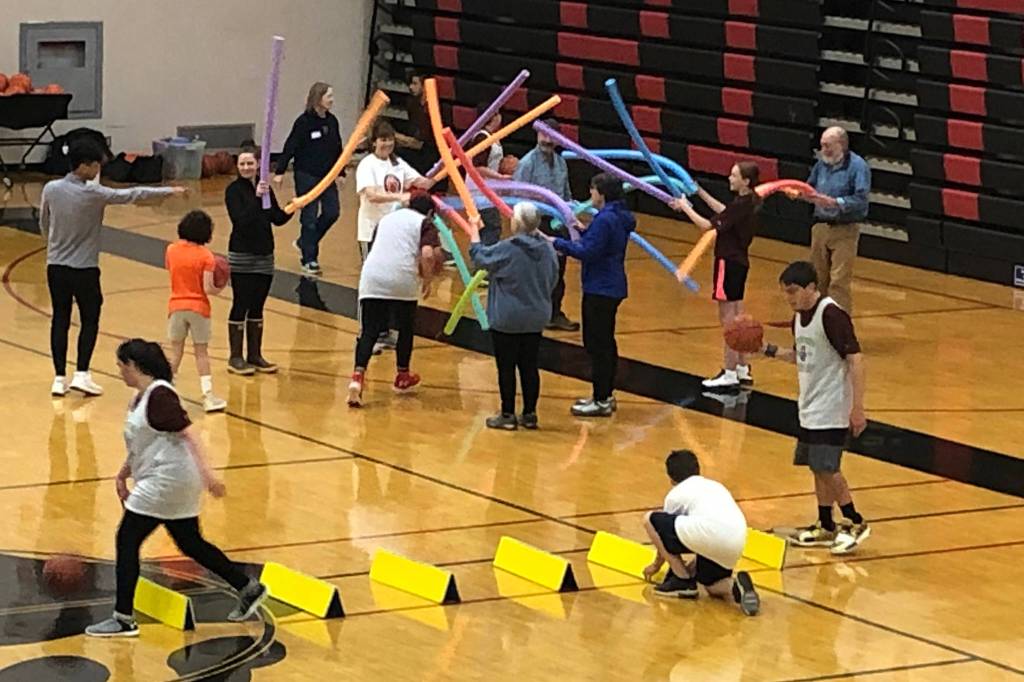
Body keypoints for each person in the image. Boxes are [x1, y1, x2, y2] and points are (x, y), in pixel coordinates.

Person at [85, 339, 267, 637]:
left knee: (127, 539)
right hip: (169, 480)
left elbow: (190, 433)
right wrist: (122, 474)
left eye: (120, 365)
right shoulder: (141, 398)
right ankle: (247, 587)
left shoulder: (159, 396)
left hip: (166, 481)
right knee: (189, 542)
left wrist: (209, 474)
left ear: (133, 366)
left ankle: (123, 618)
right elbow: (144, 444)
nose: (118, 370)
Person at [39, 139, 185, 398]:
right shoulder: (94, 194)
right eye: (95, 164)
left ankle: (58, 377)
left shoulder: (51, 189)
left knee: (60, 318)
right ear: (84, 165)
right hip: (84, 268)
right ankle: (82, 373)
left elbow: (44, 222)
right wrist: (167, 191)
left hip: (56, 266)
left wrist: (53, 247)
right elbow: (131, 194)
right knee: (89, 318)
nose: (98, 169)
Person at [762, 261, 870, 554]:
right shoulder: (799, 318)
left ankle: (855, 521)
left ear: (812, 287)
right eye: (786, 293)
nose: (789, 297)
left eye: (794, 291)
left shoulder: (832, 315)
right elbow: (802, 356)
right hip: (809, 405)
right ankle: (826, 525)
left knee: (827, 467)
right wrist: (764, 349)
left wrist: (857, 407)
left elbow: (856, 360)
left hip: (833, 406)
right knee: (816, 467)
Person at [346, 193, 444, 407]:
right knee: (405, 328)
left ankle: (357, 377)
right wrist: (427, 281)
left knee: (369, 331)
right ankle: (402, 375)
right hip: (402, 279)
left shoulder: (386, 219)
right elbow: (428, 254)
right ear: (429, 212)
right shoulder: (425, 223)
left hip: (373, 277)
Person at [671, 162, 761, 390]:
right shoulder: (748, 201)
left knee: (728, 320)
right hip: (740, 263)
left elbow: (706, 226)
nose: (729, 178)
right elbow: (724, 211)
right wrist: (699, 192)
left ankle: (729, 372)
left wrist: (685, 207)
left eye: (734, 175)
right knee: (738, 315)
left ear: (745, 181)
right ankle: (741, 368)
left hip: (727, 263)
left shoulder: (741, 204)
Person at [469, 202, 559, 430]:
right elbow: (554, 278)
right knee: (530, 366)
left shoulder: (508, 248)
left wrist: (474, 233)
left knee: (506, 366)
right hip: (536, 315)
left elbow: (480, 258)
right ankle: (530, 414)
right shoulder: (548, 249)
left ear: (517, 223)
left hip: (508, 317)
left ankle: (507, 414)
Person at [551, 173, 634, 417]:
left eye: (593, 190)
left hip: (600, 287)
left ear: (602, 193)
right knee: (606, 342)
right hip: (612, 285)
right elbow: (602, 243)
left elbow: (589, 252)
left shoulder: (606, 219)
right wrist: (586, 231)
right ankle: (605, 394)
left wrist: (558, 243)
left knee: (597, 344)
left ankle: (601, 398)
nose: (591, 195)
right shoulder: (618, 216)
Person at [641, 450, 760, 616]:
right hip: (737, 542)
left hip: (711, 537)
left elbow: (662, 534)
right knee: (711, 585)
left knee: (649, 519)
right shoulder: (716, 486)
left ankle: (681, 580)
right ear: (698, 469)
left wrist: (656, 566)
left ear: (671, 478)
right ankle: (736, 588)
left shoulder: (675, 495)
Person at [225, 145, 292, 375]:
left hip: (264, 255)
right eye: (242, 164)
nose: (246, 167)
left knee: (257, 306)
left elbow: (275, 217)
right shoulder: (233, 191)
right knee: (240, 303)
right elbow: (241, 220)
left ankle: (255, 354)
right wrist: (256, 198)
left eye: (250, 163)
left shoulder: (265, 189)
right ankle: (235, 357)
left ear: (258, 165)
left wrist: (293, 207)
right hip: (242, 255)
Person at [514, 120, 579, 331]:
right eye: (543, 135)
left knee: (557, 272)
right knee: (534, 272)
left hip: (558, 224)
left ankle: (554, 313)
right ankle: (531, 313)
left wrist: (572, 213)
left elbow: (566, 193)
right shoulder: (527, 163)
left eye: (551, 136)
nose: (546, 140)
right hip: (535, 223)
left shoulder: (561, 163)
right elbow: (518, 197)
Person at [273, 82, 343, 276]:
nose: (332, 99)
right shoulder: (304, 122)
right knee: (309, 217)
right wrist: (280, 171)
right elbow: (291, 146)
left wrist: (342, 172)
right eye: (329, 96)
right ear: (318, 98)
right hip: (306, 175)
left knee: (332, 212)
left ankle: (305, 242)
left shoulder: (332, 121)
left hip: (327, 176)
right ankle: (309, 258)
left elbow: (337, 148)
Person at [164, 211, 227, 413]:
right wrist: (222, 286)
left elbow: (171, 271)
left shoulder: (171, 250)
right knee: (201, 353)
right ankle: (208, 396)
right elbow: (208, 288)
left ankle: (166, 391)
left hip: (176, 306)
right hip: (199, 308)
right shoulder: (206, 256)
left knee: (175, 353)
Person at [804, 126, 871, 313]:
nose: (823, 150)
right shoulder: (821, 165)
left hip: (845, 229)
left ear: (841, 144)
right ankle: (817, 322)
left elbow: (861, 199)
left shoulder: (858, 167)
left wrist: (835, 202)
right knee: (817, 278)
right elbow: (809, 188)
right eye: (822, 145)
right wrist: (799, 193)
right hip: (820, 227)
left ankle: (839, 327)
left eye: (828, 146)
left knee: (838, 281)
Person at [355, 119, 433, 261]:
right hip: (371, 230)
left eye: (391, 140)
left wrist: (441, 169)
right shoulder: (367, 164)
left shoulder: (398, 164)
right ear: (374, 142)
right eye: (383, 140)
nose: (388, 144)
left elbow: (424, 183)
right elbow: (372, 196)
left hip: (391, 231)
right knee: (372, 270)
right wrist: (400, 196)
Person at [465, 103, 513, 246]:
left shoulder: (491, 136)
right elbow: (478, 166)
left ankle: (480, 262)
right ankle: (484, 261)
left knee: (484, 227)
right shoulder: (482, 137)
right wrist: (499, 177)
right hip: (479, 190)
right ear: (493, 116)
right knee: (492, 226)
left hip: (486, 188)